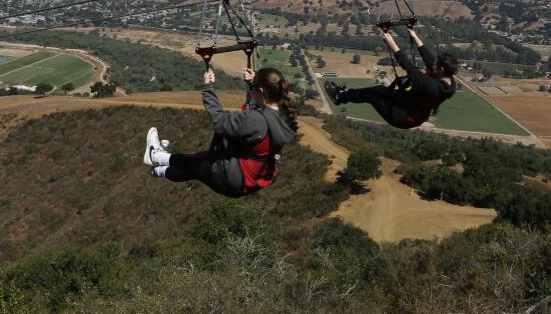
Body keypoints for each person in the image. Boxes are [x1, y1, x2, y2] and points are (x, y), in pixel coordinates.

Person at [143, 66, 299, 197]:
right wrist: (253, 84)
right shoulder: (285, 116)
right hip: (254, 177)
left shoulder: (256, 120)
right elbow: (262, 110)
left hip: (235, 177)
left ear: (260, 91)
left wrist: (208, 89)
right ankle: (159, 167)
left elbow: (219, 120)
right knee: (199, 161)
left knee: (197, 166)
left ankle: (155, 156)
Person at [326, 25, 457, 129]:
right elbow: (430, 60)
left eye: (435, 66)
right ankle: (344, 93)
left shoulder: (431, 86)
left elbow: (408, 66)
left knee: (372, 95)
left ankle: (339, 97)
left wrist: (391, 43)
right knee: (380, 89)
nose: (431, 65)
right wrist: (415, 37)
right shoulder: (449, 81)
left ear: (441, 69)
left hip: (403, 117)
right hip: (409, 107)